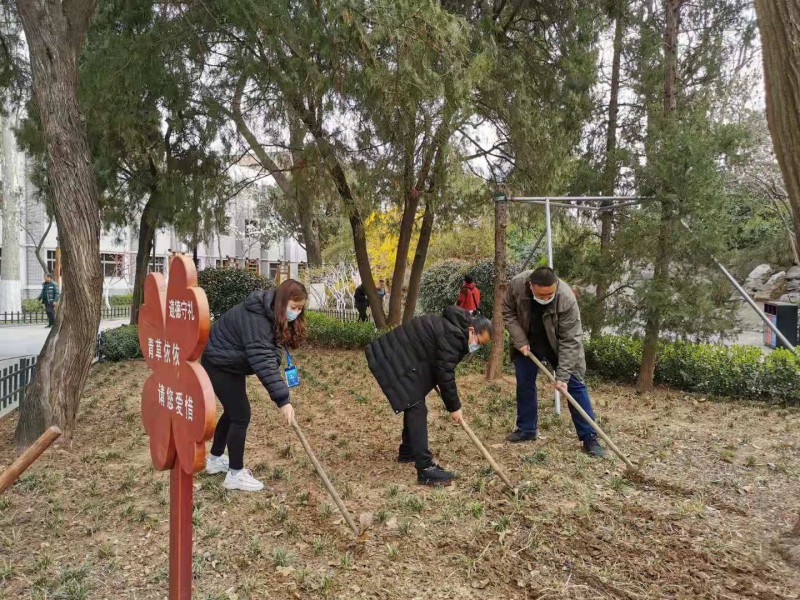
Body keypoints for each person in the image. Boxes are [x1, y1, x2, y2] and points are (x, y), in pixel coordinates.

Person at [365, 307, 493, 486]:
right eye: (479, 342)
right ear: (472, 330)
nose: (477, 347)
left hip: (402, 357)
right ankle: (425, 468)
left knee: (414, 402)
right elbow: (445, 373)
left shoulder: (454, 328)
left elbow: (438, 362)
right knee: (416, 406)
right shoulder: (454, 336)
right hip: (394, 359)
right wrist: (454, 407)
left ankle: (408, 450)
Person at [201, 279, 308, 491]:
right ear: (281, 302)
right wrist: (283, 401)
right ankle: (235, 474)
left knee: (233, 412)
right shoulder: (256, 319)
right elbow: (263, 361)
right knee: (241, 415)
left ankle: (214, 460)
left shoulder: (268, 312)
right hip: (218, 363)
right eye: (293, 307)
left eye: (300, 309)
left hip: (230, 361)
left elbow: (269, 350)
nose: (296, 312)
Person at [502, 266, 605, 457]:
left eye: (550, 293)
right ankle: (527, 429)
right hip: (528, 342)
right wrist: (519, 339)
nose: (546, 297)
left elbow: (571, 340)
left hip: (559, 345)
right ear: (530, 286)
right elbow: (507, 311)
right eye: (541, 295)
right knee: (524, 382)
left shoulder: (566, 298)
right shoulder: (517, 285)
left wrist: (563, 376)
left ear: (556, 284)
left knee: (574, 385)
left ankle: (589, 436)